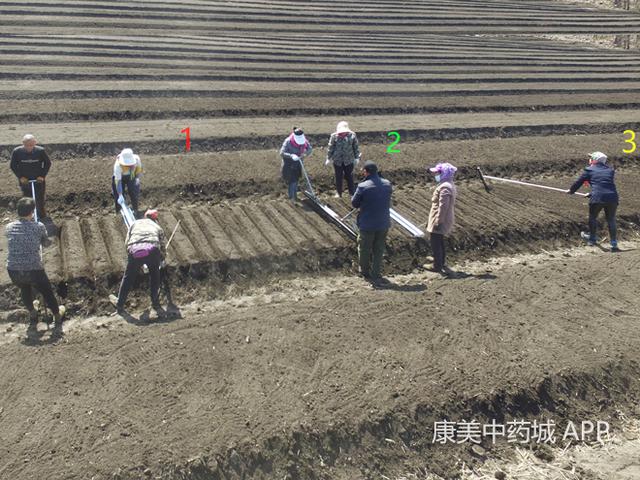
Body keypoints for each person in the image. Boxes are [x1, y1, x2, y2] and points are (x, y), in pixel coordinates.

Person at [5, 198, 65, 323]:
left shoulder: (9, 227)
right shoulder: (38, 226)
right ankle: (57, 314)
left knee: (24, 288)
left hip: (13, 270)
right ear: (32, 212)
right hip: (33, 269)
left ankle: (32, 313)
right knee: (47, 291)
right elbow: (46, 243)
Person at [109, 209, 166, 316]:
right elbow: (162, 246)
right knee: (155, 275)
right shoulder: (158, 228)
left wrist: (133, 259)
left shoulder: (135, 223)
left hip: (134, 250)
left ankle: (120, 305)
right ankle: (155, 303)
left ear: (145, 217)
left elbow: (127, 243)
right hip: (153, 249)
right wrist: (162, 258)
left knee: (128, 277)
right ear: (155, 219)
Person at [567, 151, 619, 252]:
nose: (589, 159)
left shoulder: (589, 170)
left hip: (598, 198)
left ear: (594, 160)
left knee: (593, 217)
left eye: (591, 158)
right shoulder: (610, 170)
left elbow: (579, 182)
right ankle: (613, 243)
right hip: (612, 198)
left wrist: (571, 191)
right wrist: (591, 194)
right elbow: (604, 185)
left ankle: (592, 239)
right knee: (611, 219)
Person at [351, 161, 392, 281]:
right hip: (383, 222)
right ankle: (376, 273)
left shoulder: (363, 186)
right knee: (378, 249)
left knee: (364, 248)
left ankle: (364, 271)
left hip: (367, 223)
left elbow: (354, 203)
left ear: (366, 172)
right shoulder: (387, 184)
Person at [10, 134, 51, 220]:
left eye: (31, 145)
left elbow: (48, 163)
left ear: (35, 143)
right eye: (27, 145)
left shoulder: (40, 151)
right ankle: (27, 217)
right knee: (27, 199)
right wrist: (20, 177)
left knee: (39, 198)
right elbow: (13, 165)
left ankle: (42, 216)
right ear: (23, 143)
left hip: (38, 180)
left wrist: (42, 176)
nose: (29, 147)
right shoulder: (17, 152)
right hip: (25, 180)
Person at [426, 163, 458, 275]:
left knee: (435, 241)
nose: (435, 174)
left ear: (444, 173)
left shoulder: (445, 187)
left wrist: (438, 221)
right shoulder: (447, 184)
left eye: (437, 173)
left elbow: (443, 206)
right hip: (442, 218)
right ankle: (440, 260)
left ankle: (437, 265)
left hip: (441, 219)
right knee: (439, 240)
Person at [325, 121, 361, 198]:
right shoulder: (334, 137)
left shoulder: (352, 136)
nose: (342, 133)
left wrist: (357, 157)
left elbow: (355, 147)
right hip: (337, 160)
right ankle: (339, 193)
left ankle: (352, 192)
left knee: (349, 176)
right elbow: (330, 147)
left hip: (349, 160)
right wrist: (328, 158)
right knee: (338, 177)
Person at [280, 127, 313, 203]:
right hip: (288, 164)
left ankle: (294, 196)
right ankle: (292, 198)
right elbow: (281, 153)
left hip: (298, 163)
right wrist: (291, 155)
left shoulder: (304, 141)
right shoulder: (288, 141)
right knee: (292, 180)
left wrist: (304, 154)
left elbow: (310, 149)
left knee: (296, 179)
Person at [112, 148, 143, 215]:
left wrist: (137, 178)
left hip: (131, 175)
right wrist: (120, 195)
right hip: (120, 177)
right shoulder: (118, 165)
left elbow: (139, 170)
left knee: (134, 192)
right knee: (118, 196)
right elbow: (118, 181)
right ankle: (119, 213)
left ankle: (135, 210)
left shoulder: (137, 159)